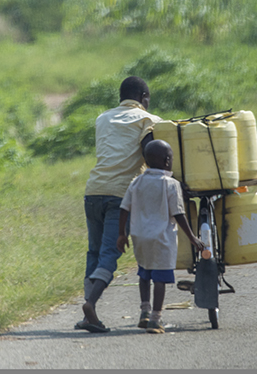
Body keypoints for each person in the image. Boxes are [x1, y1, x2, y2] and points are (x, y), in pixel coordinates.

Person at [76, 76, 162, 333]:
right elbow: (150, 153)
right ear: (144, 98)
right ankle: (90, 305)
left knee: (93, 252)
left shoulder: (102, 118)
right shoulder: (148, 120)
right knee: (109, 254)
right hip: (119, 196)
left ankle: (89, 314)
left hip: (93, 192)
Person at [117, 140, 205, 334]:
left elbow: (124, 208)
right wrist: (192, 237)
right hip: (161, 238)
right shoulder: (171, 184)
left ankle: (144, 312)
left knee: (144, 273)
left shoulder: (136, 182)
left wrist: (121, 234)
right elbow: (179, 214)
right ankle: (156, 319)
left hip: (139, 236)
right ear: (167, 161)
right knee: (159, 277)